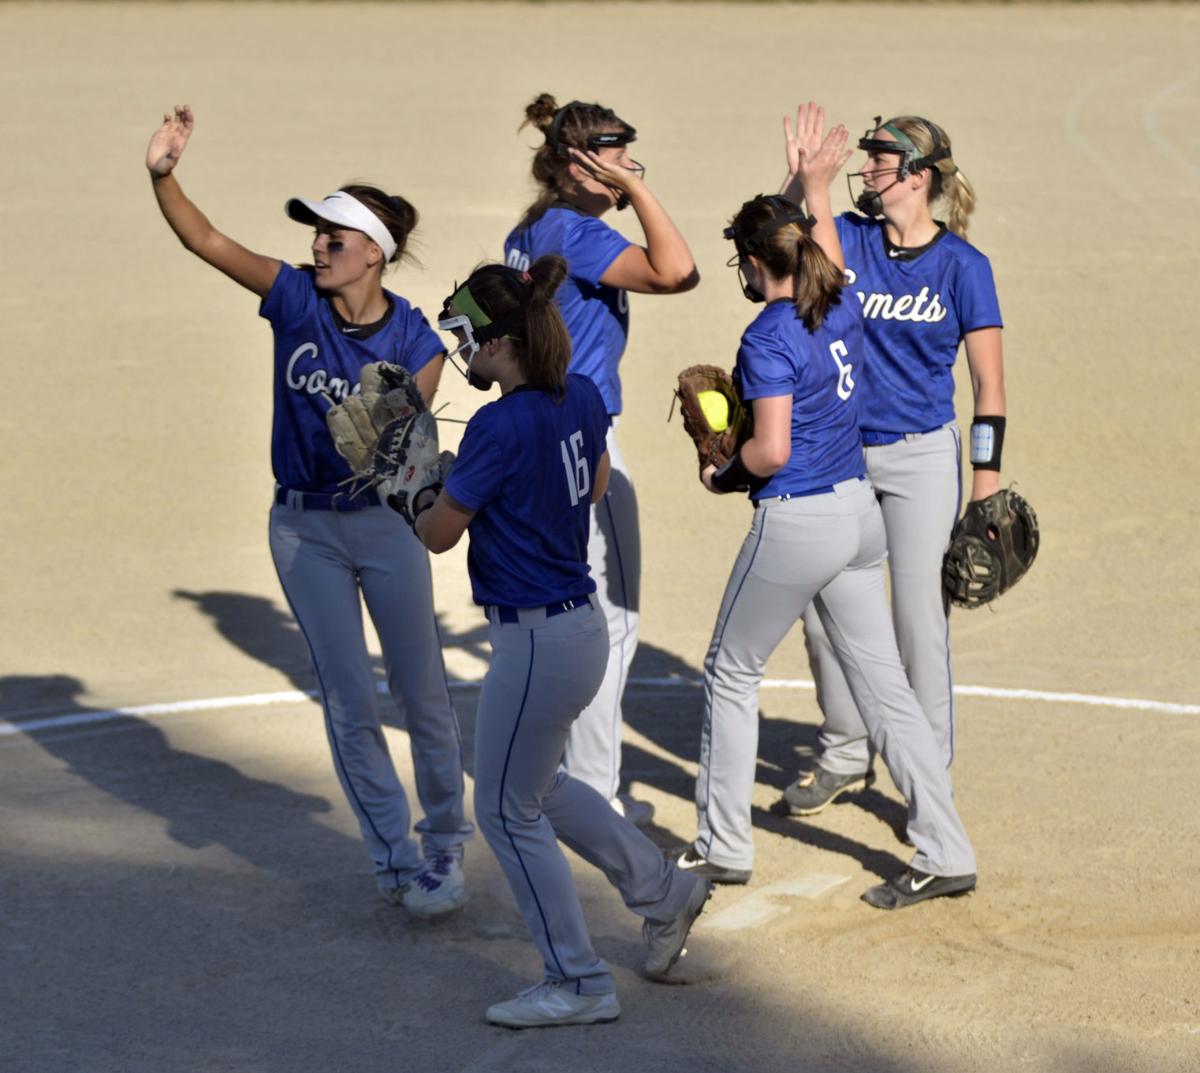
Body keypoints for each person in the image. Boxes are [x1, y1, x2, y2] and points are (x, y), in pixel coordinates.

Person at [145, 105, 471, 916]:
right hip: (302, 528)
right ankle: (394, 859)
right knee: (348, 699)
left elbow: (410, 441)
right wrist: (163, 174)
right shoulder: (293, 298)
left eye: (333, 236)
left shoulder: (417, 343)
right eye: (316, 234)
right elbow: (205, 240)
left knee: (420, 688)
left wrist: (394, 425)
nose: (317, 246)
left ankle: (444, 845)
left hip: (383, 529)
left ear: (373, 253)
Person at [406, 257, 710, 1026]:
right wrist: (477, 480)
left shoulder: (497, 423)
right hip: (580, 627)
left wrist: (410, 485)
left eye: (468, 337)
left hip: (537, 641)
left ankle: (577, 980)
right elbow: (598, 481)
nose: (462, 352)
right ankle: (664, 890)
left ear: (499, 340)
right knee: (540, 790)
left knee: (506, 811)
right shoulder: (576, 395)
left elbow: (438, 535)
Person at [678, 190, 977, 910]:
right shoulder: (842, 302)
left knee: (729, 670)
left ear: (754, 263)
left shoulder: (766, 336)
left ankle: (722, 846)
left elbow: (772, 450)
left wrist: (725, 473)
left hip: (798, 520)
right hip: (858, 512)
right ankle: (945, 849)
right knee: (885, 686)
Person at [777, 106, 1006, 815]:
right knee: (824, 614)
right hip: (842, 455)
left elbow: (989, 387)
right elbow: (784, 242)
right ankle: (845, 750)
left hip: (920, 461)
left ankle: (928, 775)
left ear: (919, 176)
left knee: (917, 621)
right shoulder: (848, 236)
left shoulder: (965, 266)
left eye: (880, 157)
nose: (867, 167)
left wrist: (984, 490)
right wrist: (801, 178)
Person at [503, 94, 699, 825]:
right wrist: (641, 194)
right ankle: (596, 792)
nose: (626, 174)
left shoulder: (528, 230)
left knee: (568, 614)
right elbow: (678, 272)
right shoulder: (576, 234)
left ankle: (565, 778)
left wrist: (619, 182)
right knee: (610, 621)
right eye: (616, 162)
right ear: (575, 165)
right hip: (582, 440)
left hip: (537, 432)